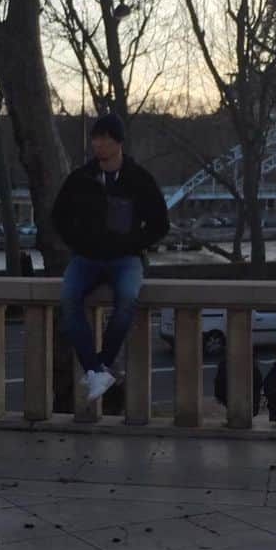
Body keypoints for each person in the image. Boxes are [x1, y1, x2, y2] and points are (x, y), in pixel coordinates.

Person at [52, 112, 169, 402]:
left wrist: (133, 244)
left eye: (104, 139)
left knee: (127, 298)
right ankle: (97, 369)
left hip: (125, 258)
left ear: (118, 142)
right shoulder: (80, 178)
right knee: (68, 299)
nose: (98, 144)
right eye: (95, 138)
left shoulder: (140, 180)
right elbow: (58, 216)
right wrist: (78, 242)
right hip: (87, 257)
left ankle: (99, 367)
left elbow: (160, 223)